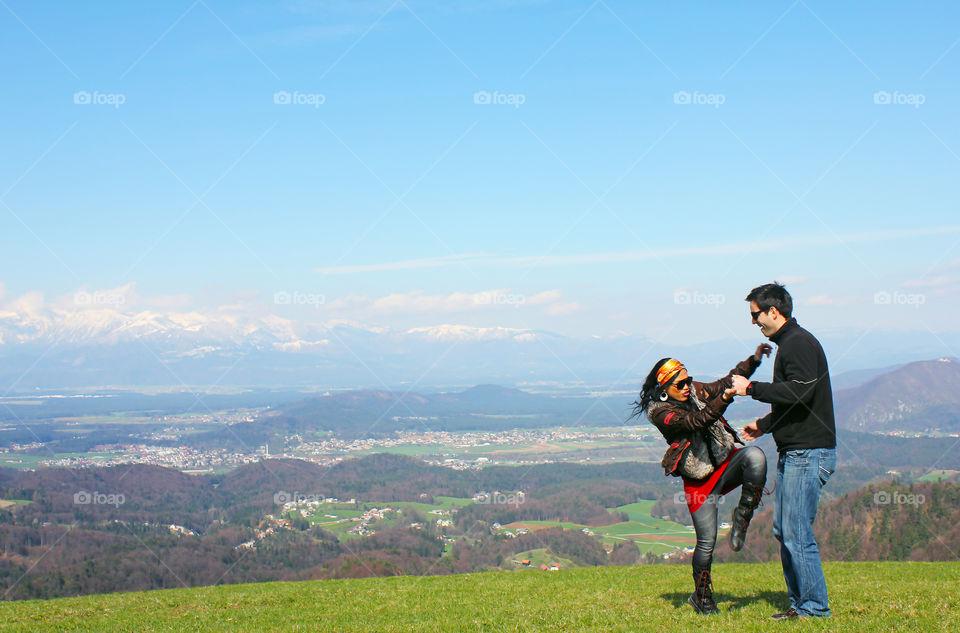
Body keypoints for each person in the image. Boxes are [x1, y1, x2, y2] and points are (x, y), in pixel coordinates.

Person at [633, 345, 770, 615]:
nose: (687, 387)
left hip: (723, 463)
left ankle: (743, 514)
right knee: (706, 542)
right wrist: (727, 398)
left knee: (755, 456)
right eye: (680, 384)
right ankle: (702, 597)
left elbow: (725, 382)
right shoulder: (661, 413)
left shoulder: (694, 389)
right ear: (665, 388)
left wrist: (753, 361)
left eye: (688, 380)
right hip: (698, 479)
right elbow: (697, 421)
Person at [731, 282, 837, 621]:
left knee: (796, 532)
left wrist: (752, 388)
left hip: (808, 452)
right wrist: (764, 426)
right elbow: (793, 402)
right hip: (797, 451)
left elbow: (801, 392)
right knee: (784, 531)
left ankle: (813, 609)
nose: (754, 322)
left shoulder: (798, 343)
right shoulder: (790, 344)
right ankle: (801, 603)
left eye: (755, 315)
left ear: (773, 311)